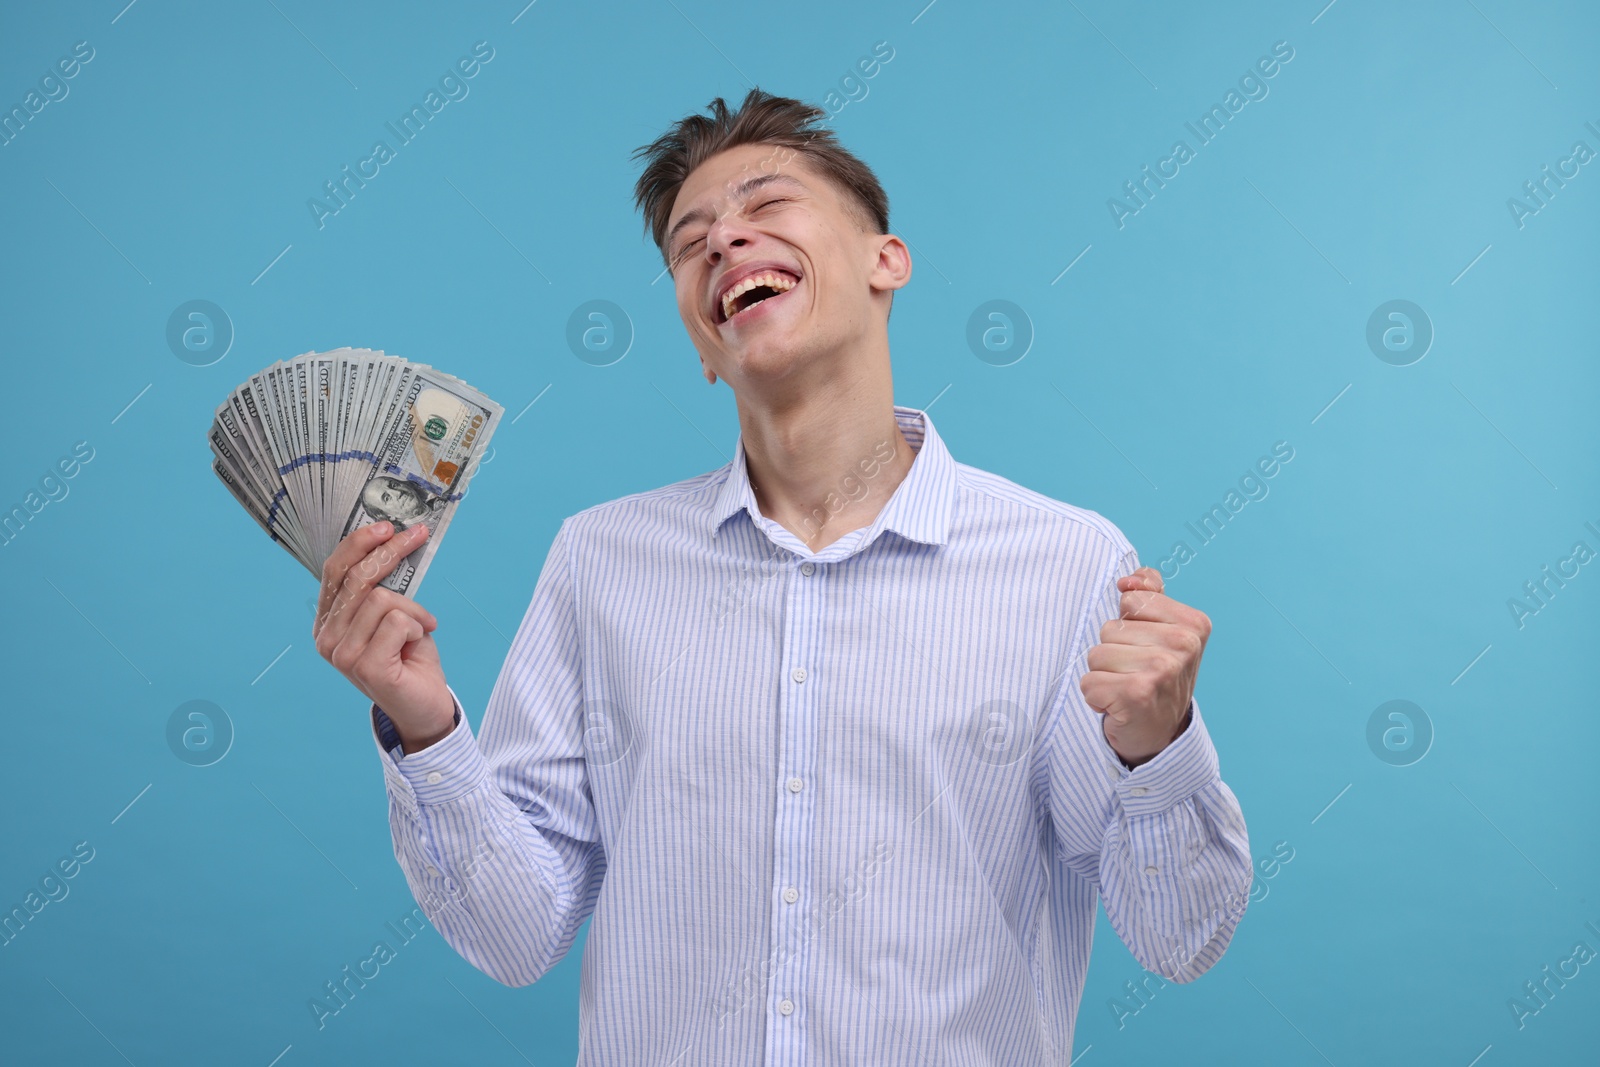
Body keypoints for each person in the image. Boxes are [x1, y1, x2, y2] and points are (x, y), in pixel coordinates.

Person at [313, 88, 1251, 1064]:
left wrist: (1158, 748)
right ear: (701, 339)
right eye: (690, 242)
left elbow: (1183, 939)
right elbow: (516, 937)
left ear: (886, 259)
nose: (724, 242)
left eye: (766, 208)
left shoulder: (1067, 564)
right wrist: (424, 727)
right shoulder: (599, 560)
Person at [357, 473, 439, 530]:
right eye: (387, 498)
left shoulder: (440, 500)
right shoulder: (414, 546)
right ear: (389, 516)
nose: (398, 492)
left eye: (393, 485)